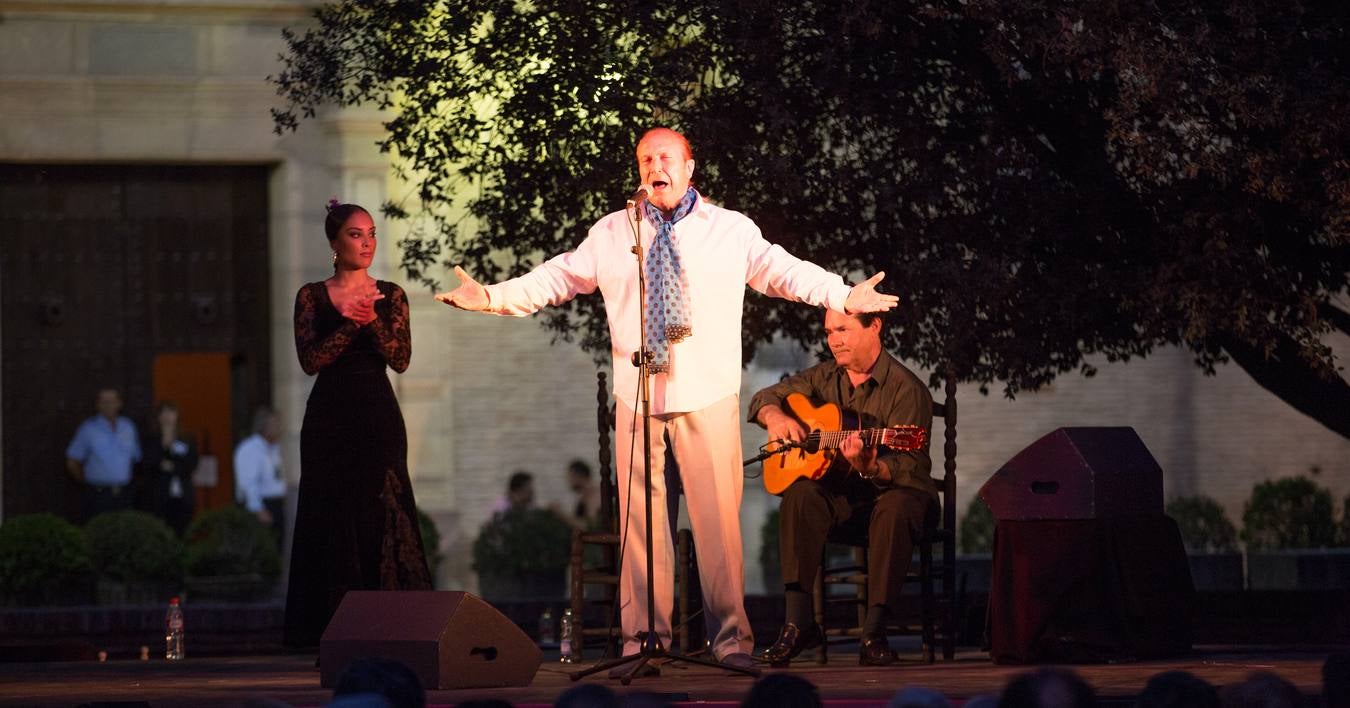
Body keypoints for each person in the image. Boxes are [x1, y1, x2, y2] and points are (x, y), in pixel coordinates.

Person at [436, 126, 897, 672]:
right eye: (646, 157)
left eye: (667, 156)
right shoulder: (614, 233)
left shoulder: (728, 230)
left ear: (689, 167)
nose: (656, 164)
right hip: (637, 397)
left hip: (707, 394)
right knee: (641, 531)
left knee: (718, 529)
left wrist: (843, 294)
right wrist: (490, 297)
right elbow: (556, 277)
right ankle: (642, 643)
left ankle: (731, 642)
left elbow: (785, 271)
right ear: (639, 170)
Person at [750, 309, 937, 667]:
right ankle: (798, 622)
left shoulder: (907, 390)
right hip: (846, 503)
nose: (834, 339)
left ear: (875, 326)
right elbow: (764, 397)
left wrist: (872, 467)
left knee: (895, 507)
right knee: (801, 494)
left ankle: (874, 632)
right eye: (829, 331)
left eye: (843, 329)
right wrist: (776, 416)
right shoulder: (823, 377)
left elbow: (911, 467)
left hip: (896, 499)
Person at [284, 201, 431, 649]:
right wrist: (351, 323)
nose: (366, 242)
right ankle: (331, 632)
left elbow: (401, 360)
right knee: (331, 513)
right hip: (329, 416)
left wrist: (371, 323)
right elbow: (311, 361)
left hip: (377, 414)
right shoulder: (311, 295)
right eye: (355, 234)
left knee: (383, 509)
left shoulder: (391, 293)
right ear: (333, 242)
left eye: (371, 234)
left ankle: (394, 626)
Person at [65, 387, 141, 521]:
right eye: (104, 401)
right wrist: (86, 481)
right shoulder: (88, 429)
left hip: (124, 494)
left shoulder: (128, 427)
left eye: (112, 401)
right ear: (98, 405)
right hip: (98, 494)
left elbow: (135, 458)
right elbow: (72, 461)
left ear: (119, 403)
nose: (108, 405)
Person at [141, 401, 198, 536]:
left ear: (177, 416)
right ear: (158, 417)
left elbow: (190, 465)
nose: (167, 416)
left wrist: (170, 465)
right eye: (163, 412)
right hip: (158, 496)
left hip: (183, 497)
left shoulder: (187, 440)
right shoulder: (151, 440)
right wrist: (165, 445)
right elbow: (150, 464)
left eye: (171, 412)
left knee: (182, 532)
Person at [234, 408, 287, 547]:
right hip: (262, 506)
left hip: (277, 505)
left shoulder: (275, 449)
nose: (279, 428)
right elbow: (248, 483)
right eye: (276, 425)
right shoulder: (250, 449)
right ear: (265, 427)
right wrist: (257, 508)